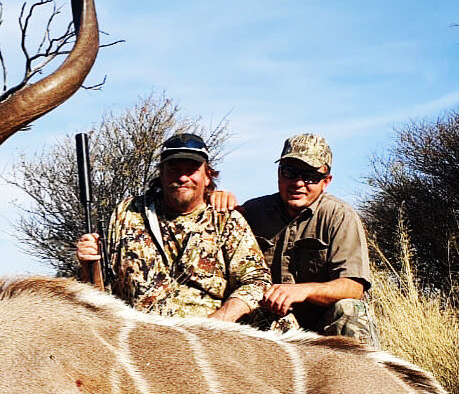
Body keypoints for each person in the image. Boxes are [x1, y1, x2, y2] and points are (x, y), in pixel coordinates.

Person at [75, 133, 270, 321]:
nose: (183, 177)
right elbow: (100, 291)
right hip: (139, 332)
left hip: (208, 337)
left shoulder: (226, 219)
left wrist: (219, 321)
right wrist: (88, 265)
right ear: (161, 174)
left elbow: (256, 281)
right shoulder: (128, 213)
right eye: (174, 169)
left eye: (191, 170)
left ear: (208, 176)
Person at [214, 133, 380, 348]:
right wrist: (213, 198)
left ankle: (358, 379)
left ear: (326, 182)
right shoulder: (252, 211)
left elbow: (353, 287)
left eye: (310, 176)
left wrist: (302, 291)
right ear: (279, 174)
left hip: (324, 326)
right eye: (289, 172)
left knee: (350, 310)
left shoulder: (340, 216)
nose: (298, 183)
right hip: (270, 320)